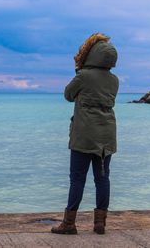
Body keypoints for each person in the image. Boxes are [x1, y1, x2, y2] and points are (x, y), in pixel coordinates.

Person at [51, 33, 119, 235]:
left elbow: (68, 95)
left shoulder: (83, 76)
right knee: (102, 179)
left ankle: (69, 223)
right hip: (106, 136)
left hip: (84, 136)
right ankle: (100, 224)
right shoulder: (114, 80)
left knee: (78, 179)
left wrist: (79, 72)